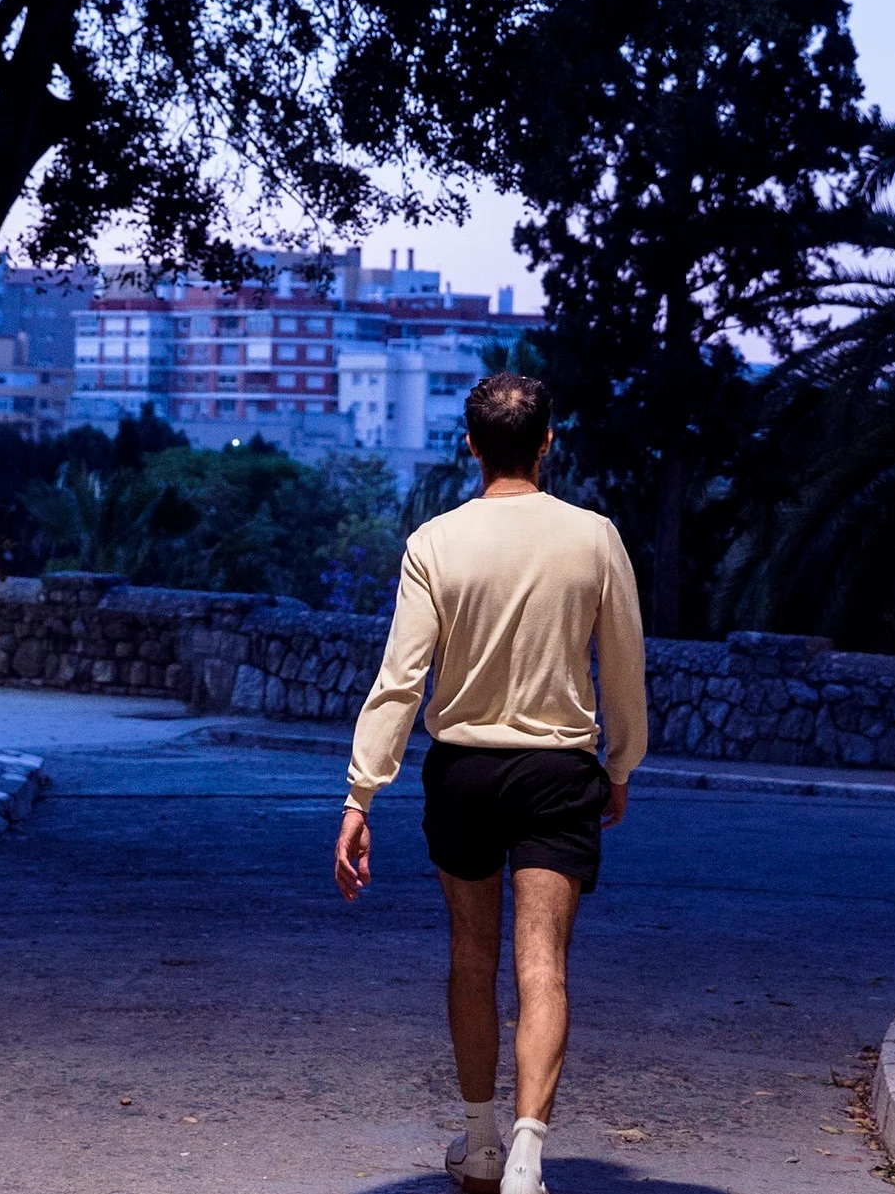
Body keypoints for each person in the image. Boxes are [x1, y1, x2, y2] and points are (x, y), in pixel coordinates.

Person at [334, 373, 645, 1194]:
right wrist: (620, 765)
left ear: (469, 444)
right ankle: (527, 1161)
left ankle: (478, 1142)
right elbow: (622, 671)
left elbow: (400, 680)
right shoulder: (594, 537)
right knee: (542, 964)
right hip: (558, 769)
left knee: (472, 956)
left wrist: (360, 794)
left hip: (463, 768)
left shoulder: (434, 542)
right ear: (548, 441)